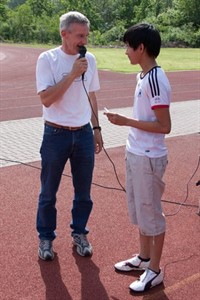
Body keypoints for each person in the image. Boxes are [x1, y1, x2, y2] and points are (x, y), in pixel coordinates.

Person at [104, 23, 171, 292]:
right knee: (140, 211)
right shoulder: (142, 76)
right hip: (136, 153)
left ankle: (154, 270)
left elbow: (164, 125)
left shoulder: (155, 79)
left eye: (128, 46)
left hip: (149, 157)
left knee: (152, 214)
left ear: (141, 48)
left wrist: (124, 121)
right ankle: (144, 258)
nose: (125, 52)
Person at [36, 11, 103, 261]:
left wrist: (96, 129)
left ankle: (79, 233)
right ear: (64, 34)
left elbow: (92, 95)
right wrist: (73, 74)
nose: (85, 40)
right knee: (48, 192)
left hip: (84, 134)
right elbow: (46, 99)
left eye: (86, 35)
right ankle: (45, 238)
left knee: (83, 193)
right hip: (55, 134)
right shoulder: (47, 59)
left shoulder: (91, 59)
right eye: (80, 36)